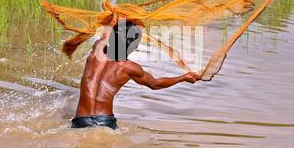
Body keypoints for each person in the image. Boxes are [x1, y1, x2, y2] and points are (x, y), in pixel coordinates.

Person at [72, 17, 200, 130]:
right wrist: (183, 78)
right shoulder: (129, 68)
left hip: (81, 120)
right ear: (133, 46)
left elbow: (107, 33)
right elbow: (155, 84)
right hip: (105, 122)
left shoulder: (97, 50)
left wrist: (116, 17)